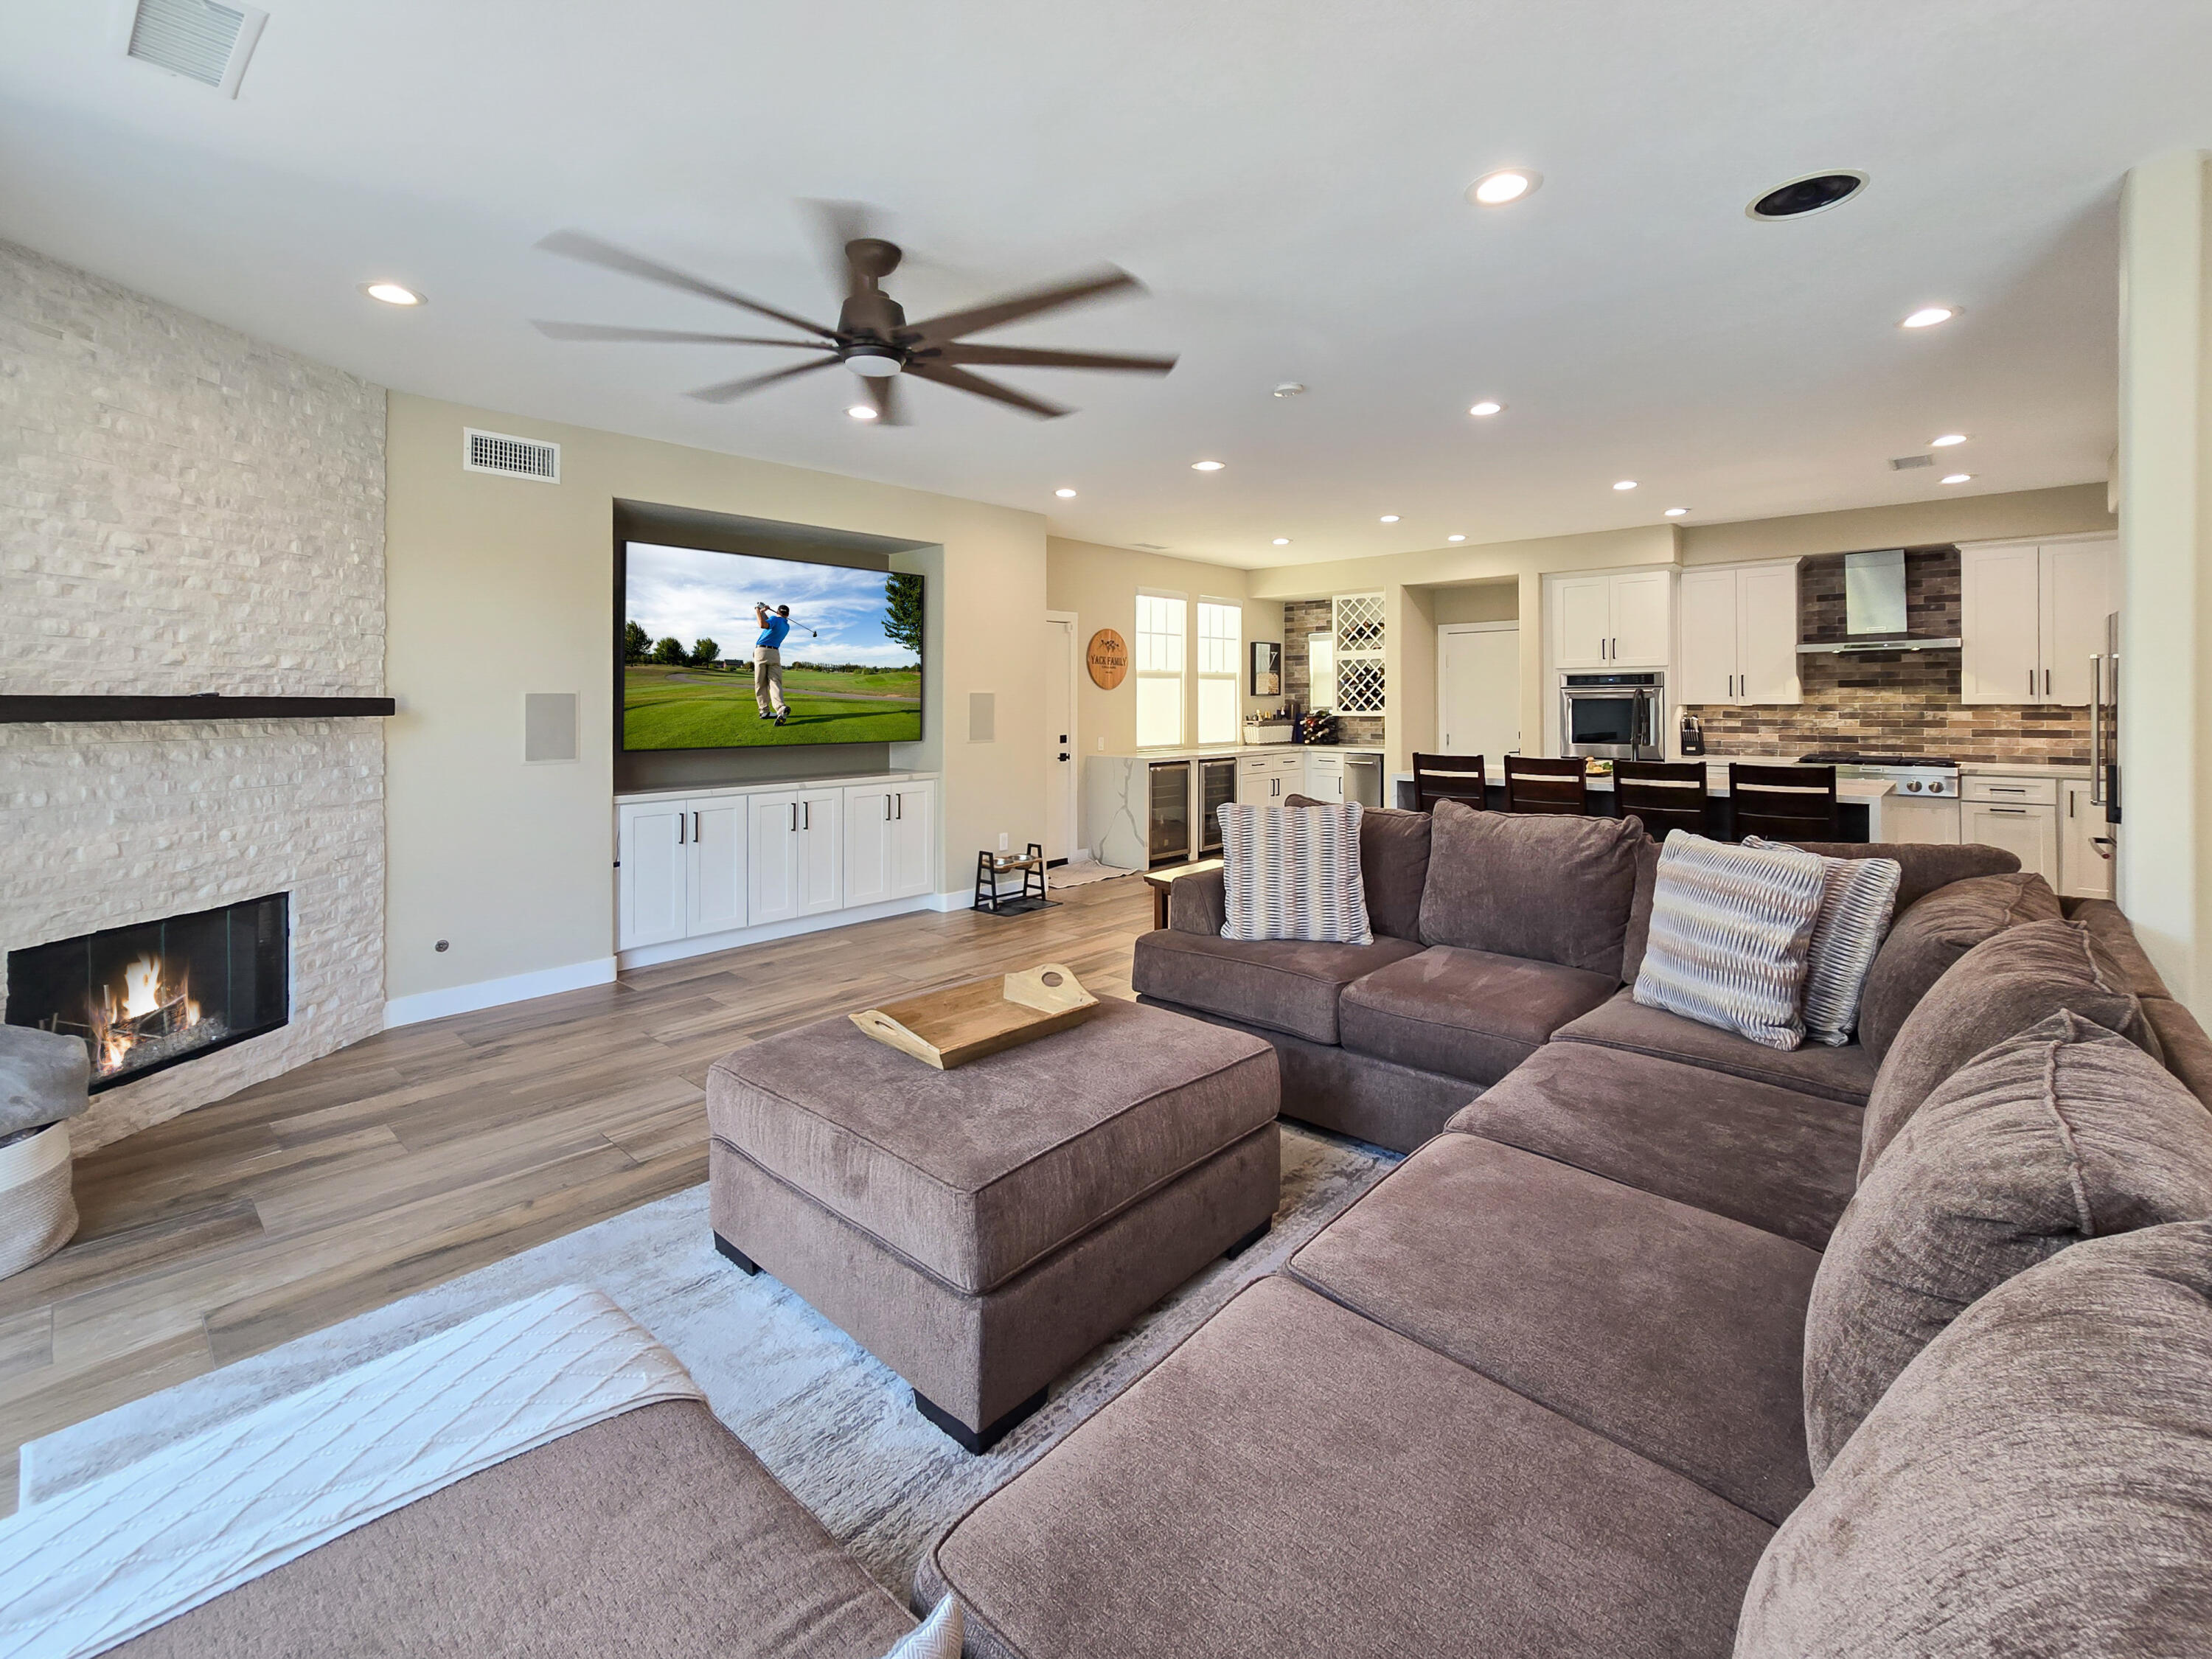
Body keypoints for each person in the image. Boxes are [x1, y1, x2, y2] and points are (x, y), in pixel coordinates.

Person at [752, 602, 792, 725]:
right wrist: (764, 612)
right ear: (788, 615)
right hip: (775, 654)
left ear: (777, 612)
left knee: (760, 683)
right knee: (775, 683)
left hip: (762, 651)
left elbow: (763, 624)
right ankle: (780, 708)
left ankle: (764, 710)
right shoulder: (786, 626)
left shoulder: (774, 619)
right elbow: (769, 622)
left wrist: (758, 610)